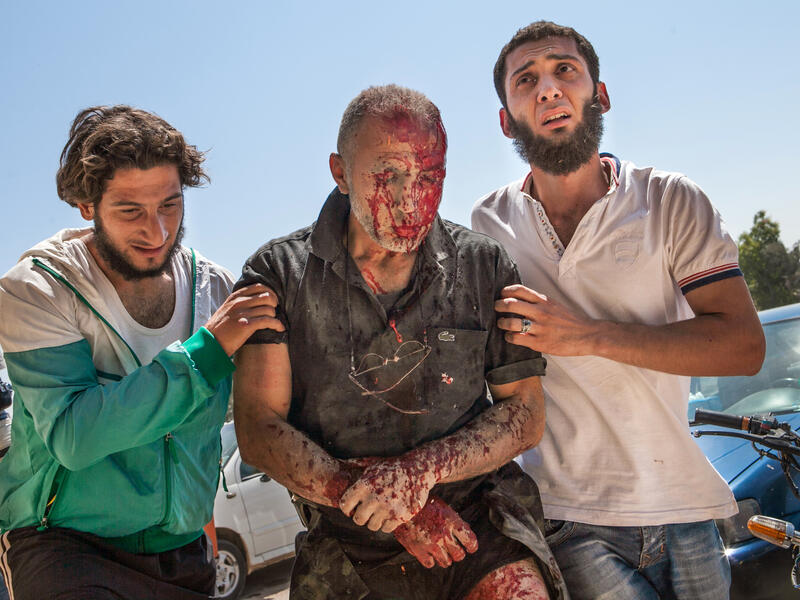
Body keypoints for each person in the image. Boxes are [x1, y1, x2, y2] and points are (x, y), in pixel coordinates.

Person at [233, 84, 568, 600]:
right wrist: (386, 503)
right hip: (348, 536)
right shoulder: (278, 273)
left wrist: (421, 472)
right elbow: (258, 429)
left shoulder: (483, 264)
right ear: (341, 173)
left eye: (431, 176)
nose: (412, 200)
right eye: (388, 174)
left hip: (476, 521)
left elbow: (525, 413)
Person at [471, 21, 766, 600]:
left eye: (565, 71)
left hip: (686, 505)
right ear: (507, 121)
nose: (548, 89)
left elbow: (744, 345)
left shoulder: (670, 199)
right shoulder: (487, 229)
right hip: (567, 516)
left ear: (599, 95)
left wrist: (588, 336)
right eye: (525, 80)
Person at [0, 105, 282, 600]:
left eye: (170, 206)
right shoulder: (35, 290)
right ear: (87, 206)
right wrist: (206, 352)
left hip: (186, 551)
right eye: (131, 211)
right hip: (66, 549)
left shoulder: (213, 288)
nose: (157, 233)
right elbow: (75, 434)